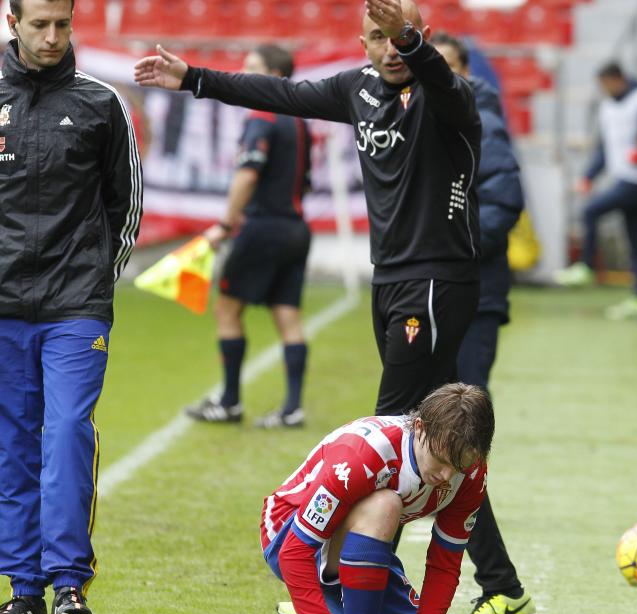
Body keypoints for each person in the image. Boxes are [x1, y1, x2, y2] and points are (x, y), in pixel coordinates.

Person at [134, 0, 483, 419]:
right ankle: (468, 488)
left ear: (422, 38)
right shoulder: (359, 88)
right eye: (378, 37)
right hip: (390, 274)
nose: (390, 49)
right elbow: (280, 93)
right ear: (362, 44)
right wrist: (195, 78)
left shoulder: (449, 95)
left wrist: (405, 37)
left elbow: (442, 81)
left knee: (393, 424)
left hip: (434, 277)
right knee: (438, 423)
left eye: (400, 37)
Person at [0, 0, 142, 614]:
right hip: (4, 308)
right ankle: (23, 589)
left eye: (63, 24)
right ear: (13, 24)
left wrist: (94, 286)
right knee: (11, 446)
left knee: (65, 435)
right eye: (40, 25)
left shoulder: (100, 103)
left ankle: (67, 586)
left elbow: (127, 204)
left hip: (76, 308)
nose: (53, 37)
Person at [253, 383, 493, 614]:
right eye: (440, 459)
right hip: (291, 533)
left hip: (360, 544)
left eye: (460, 465)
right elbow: (294, 551)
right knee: (386, 504)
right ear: (419, 427)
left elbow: (445, 561)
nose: (448, 476)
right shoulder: (365, 455)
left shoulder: (472, 474)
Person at [430, 33, 541, 614]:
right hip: (442, 295)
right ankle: (499, 587)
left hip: (473, 297)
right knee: (436, 436)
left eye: (444, 67)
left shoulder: (481, 117)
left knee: (454, 438)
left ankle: (502, 589)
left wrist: (452, 249)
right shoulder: (433, 121)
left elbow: (503, 203)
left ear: (466, 72)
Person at [185, 45, 312, 429]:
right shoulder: (300, 120)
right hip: (296, 228)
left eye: (252, 69)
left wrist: (225, 224)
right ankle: (292, 408)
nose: (243, 75)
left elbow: (248, 173)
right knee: (288, 316)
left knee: (227, 308)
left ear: (275, 75)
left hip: (264, 227)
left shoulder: (263, 116)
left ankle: (229, 401)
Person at [557, 61, 637, 321]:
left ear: (616, 78)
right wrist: (588, 176)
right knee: (634, 241)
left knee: (591, 210)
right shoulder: (607, 109)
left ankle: (586, 266)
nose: (604, 89)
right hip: (626, 178)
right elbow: (604, 149)